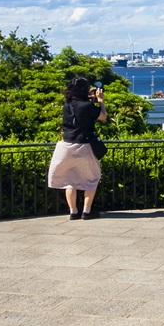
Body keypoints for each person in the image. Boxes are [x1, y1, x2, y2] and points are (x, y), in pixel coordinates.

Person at [47, 76, 107, 220]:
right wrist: (100, 101)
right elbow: (103, 117)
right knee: (91, 179)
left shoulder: (67, 104)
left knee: (70, 180)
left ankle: (73, 212)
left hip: (65, 146)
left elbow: (79, 108)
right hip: (84, 146)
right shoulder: (88, 106)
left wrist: (88, 97)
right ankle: (86, 211)